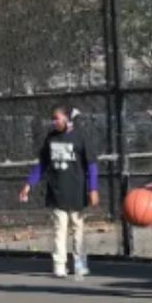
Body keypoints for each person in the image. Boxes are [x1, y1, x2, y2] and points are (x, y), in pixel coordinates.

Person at [18, 105, 99, 279]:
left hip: (77, 192)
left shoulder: (81, 137)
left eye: (58, 118)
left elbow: (91, 165)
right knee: (59, 230)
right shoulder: (51, 138)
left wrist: (93, 188)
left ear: (68, 120)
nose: (54, 122)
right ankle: (59, 265)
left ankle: (79, 264)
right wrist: (29, 184)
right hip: (57, 192)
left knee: (78, 230)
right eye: (53, 118)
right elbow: (42, 165)